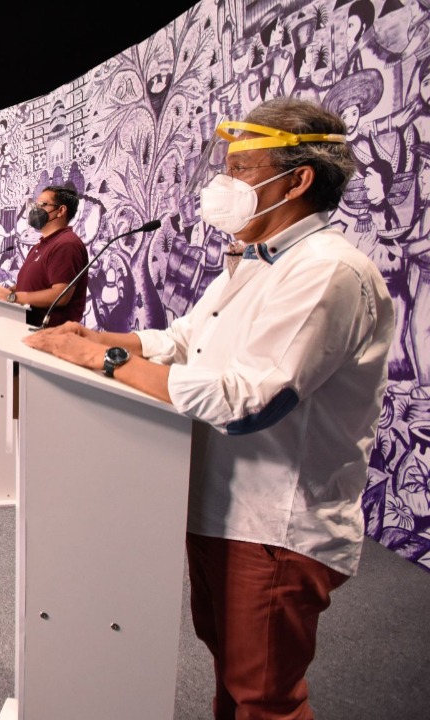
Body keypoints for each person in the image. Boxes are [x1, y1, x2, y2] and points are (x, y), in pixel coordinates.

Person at [24, 98, 394, 720]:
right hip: (221, 508)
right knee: (231, 670)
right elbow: (186, 339)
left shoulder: (326, 271)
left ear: (298, 179)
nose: (224, 186)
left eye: (243, 169)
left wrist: (104, 363)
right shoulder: (253, 262)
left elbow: (249, 401)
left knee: (264, 696)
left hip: (274, 524)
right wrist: (100, 339)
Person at [0, 184, 89, 327]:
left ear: (61, 210)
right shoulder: (41, 245)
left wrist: (12, 297)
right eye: (36, 204)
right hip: (29, 328)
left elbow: (61, 295)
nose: (36, 209)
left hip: (52, 335)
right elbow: (34, 285)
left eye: (43, 204)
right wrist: (3, 291)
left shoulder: (67, 244)